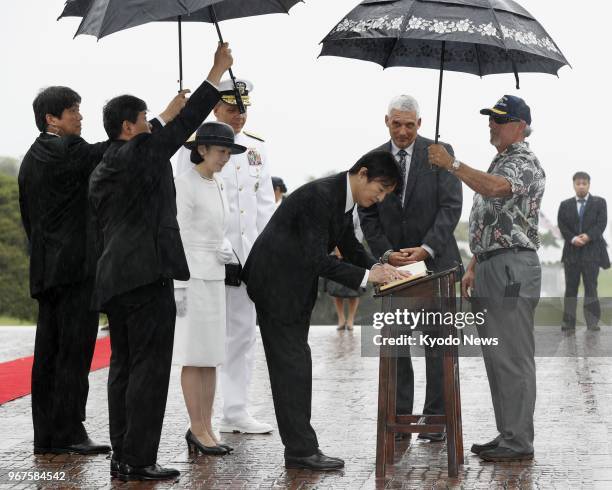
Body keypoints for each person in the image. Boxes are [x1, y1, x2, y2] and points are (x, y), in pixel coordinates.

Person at [88, 43, 233, 481]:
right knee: (149, 371)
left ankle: (123, 454)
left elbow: (162, 133)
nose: (150, 125)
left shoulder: (105, 163)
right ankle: (139, 459)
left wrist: (162, 116)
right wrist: (216, 73)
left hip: (114, 280)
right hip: (148, 275)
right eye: (144, 118)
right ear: (131, 126)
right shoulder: (141, 154)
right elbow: (180, 130)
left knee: (123, 369)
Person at [243, 150, 410, 470]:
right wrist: (367, 276)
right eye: (379, 190)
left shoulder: (341, 198)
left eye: (386, 194)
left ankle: (300, 448)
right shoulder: (321, 198)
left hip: (291, 285)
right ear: (362, 174)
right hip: (275, 284)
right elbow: (315, 258)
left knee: (295, 365)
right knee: (291, 368)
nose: (379, 198)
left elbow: (349, 246)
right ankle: (301, 451)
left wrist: (380, 269)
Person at [428, 95, 545, 462]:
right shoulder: (502, 160)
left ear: (520, 127)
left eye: (500, 119)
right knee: (497, 355)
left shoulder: (524, 162)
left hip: (513, 267)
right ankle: (508, 432)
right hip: (493, 264)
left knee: (512, 355)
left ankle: (519, 440)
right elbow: (495, 222)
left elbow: (495, 189)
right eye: (491, 118)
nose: (491, 124)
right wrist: (476, 264)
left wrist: (452, 164)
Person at [359, 94, 462, 442]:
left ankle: (435, 421)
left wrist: (426, 249)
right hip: (395, 272)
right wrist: (387, 254)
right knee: (397, 347)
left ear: (419, 124)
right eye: (396, 123)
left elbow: (451, 206)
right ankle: (400, 418)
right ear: (386, 121)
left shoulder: (439, 152)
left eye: (409, 124)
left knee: (438, 347)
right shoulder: (372, 160)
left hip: (436, 266)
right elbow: (366, 213)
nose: (403, 131)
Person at [177, 78, 276, 435]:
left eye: (243, 110)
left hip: (247, 258)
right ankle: (201, 418)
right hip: (207, 258)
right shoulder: (192, 146)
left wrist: (264, 254)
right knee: (204, 338)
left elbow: (265, 206)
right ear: (215, 108)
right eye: (233, 109)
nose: (240, 117)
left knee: (243, 334)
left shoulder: (255, 149)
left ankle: (236, 410)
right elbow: (186, 205)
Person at [18, 86, 113, 456]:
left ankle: (48, 436)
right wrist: (159, 122)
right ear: (51, 119)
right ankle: (71, 432)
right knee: (73, 354)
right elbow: (109, 150)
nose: (80, 116)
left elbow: (30, 221)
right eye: (73, 110)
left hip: (47, 271)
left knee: (48, 357)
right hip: (74, 272)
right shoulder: (65, 149)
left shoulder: (32, 157)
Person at [173, 121, 246, 457]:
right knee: (193, 354)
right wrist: (180, 282)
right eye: (220, 151)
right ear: (201, 150)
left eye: (228, 152)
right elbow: (178, 234)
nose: (225, 158)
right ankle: (197, 426)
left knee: (211, 356)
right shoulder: (184, 184)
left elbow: (220, 227)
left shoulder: (216, 183)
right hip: (191, 277)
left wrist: (225, 249)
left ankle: (207, 426)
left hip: (215, 275)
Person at [558, 172, 609, 331]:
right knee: (570, 289)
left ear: (589, 184)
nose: (581, 186)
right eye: (578, 183)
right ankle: (568, 322)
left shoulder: (599, 203)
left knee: (591, 288)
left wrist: (587, 236)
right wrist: (573, 239)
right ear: (573, 185)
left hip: (592, 252)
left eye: (584, 183)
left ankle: (592, 322)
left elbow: (602, 224)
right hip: (571, 253)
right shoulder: (565, 204)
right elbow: (562, 225)